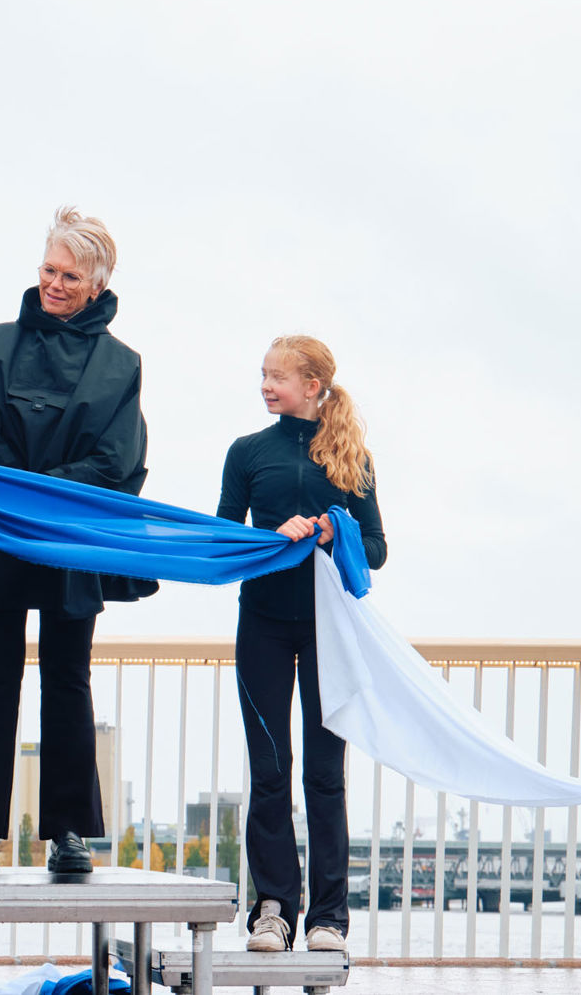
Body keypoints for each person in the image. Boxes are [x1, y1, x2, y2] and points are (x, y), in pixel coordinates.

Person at [0, 207, 151, 875]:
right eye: (48, 270)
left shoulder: (122, 365)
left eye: (69, 276)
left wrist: (42, 497)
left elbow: (116, 458)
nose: (54, 284)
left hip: (71, 543)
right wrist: (36, 497)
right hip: (3, 535)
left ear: (96, 285)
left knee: (68, 680)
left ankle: (69, 835)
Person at [217, 335, 387, 953]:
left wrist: (329, 531)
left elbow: (376, 550)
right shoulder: (246, 452)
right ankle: (273, 910)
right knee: (269, 771)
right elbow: (222, 538)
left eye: (278, 377)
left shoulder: (351, 456)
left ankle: (329, 918)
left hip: (330, 633)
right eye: (263, 374)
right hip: (261, 622)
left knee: (324, 775)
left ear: (313, 386)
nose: (265, 385)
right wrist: (272, 536)